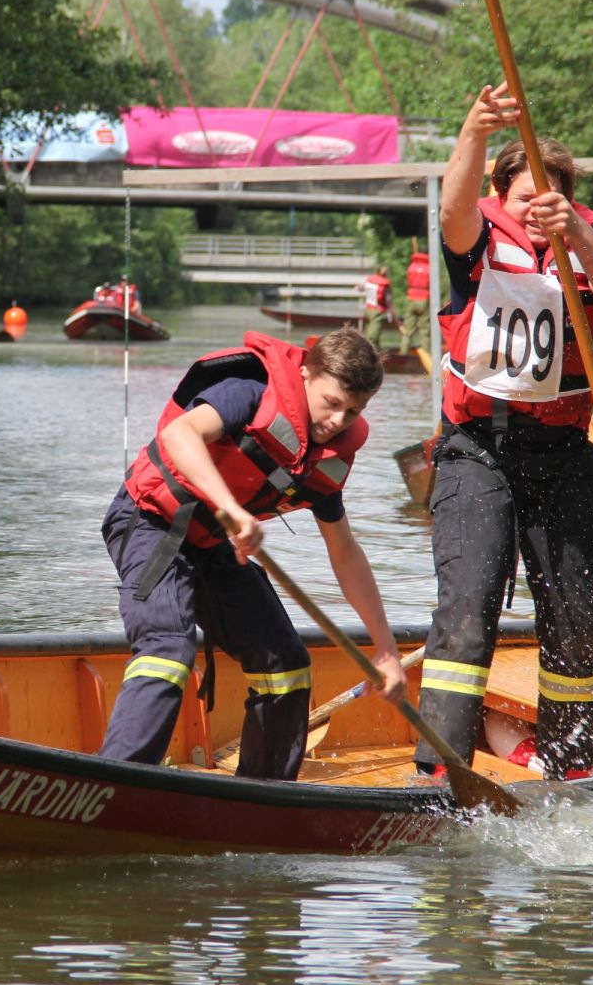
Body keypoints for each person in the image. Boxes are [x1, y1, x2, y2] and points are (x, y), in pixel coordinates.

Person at [413, 83, 593, 782]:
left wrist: (572, 233)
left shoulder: (590, 243)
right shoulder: (474, 240)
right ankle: (444, 767)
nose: (535, 211)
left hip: (564, 453)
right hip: (479, 449)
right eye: (523, 200)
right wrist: (474, 128)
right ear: (500, 195)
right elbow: (451, 213)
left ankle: (571, 761)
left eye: (552, 201)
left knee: (573, 621)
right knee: (469, 610)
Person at [98, 326, 409, 780]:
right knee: (168, 650)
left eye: (353, 411)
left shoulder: (327, 456)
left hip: (213, 544)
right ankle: (116, 782)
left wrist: (386, 651)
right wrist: (229, 508)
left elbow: (345, 553)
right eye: (332, 403)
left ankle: (265, 792)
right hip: (150, 523)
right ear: (305, 375)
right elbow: (179, 435)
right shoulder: (246, 393)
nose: (338, 421)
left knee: (286, 664)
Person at [401, 248, 432, 351]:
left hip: (411, 298)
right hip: (424, 299)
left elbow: (408, 282)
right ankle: (427, 358)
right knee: (424, 331)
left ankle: (403, 354)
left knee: (407, 330)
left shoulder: (411, 267)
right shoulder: (429, 268)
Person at [361, 264, 394, 348]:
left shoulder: (370, 280)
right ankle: (370, 353)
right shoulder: (385, 284)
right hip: (377, 312)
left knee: (372, 334)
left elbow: (363, 288)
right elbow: (388, 300)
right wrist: (390, 314)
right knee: (372, 336)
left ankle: (377, 355)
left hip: (368, 310)